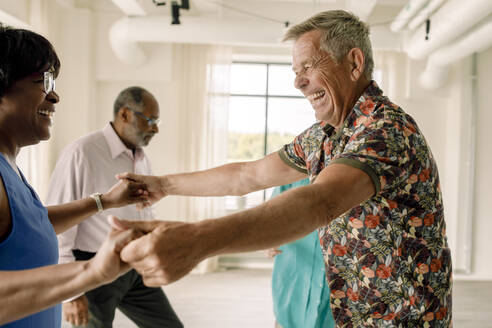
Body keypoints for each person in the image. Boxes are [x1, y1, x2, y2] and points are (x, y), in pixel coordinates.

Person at [114, 10, 453, 327]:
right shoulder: (326, 135)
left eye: (308, 67)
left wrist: (198, 241)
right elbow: (247, 175)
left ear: (353, 62)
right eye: (296, 72)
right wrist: (163, 185)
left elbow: (320, 202)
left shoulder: (385, 130)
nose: (299, 83)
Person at [0, 25, 147, 327]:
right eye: (43, 81)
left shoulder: (10, 166)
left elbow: (31, 225)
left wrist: (104, 201)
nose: (54, 96)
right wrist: (91, 272)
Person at [46, 86, 182, 328]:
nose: (155, 128)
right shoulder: (82, 153)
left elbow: (144, 209)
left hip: (133, 266)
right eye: (150, 120)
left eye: (157, 121)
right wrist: (72, 293)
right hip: (91, 267)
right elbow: (58, 226)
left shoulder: (141, 158)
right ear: (125, 115)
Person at [268, 178, 335, 328]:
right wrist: (269, 238)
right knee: (288, 313)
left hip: (336, 261)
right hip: (295, 260)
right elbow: (274, 209)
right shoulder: (296, 166)